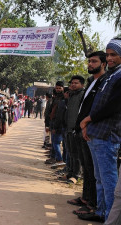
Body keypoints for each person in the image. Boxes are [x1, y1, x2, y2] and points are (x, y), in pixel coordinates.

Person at [79, 39, 121, 222]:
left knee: (108, 180)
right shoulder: (111, 75)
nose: (109, 58)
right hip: (97, 133)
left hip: (107, 135)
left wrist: (88, 120)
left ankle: (110, 218)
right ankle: (102, 212)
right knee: (100, 179)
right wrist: (89, 126)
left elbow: (113, 106)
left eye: (114, 55)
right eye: (108, 54)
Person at [70, 51, 107, 217]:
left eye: (94, 61)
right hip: (82, 130)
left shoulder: (104, 82)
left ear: (104, 63)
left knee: (93, 171)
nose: (90, 64)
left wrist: (86, 126)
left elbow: (97, 109)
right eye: (89, 61)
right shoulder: (93, 81)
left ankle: (92, 204)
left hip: (91, 131)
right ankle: (86, 198)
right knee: (87, 168)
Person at [63, 75, 84, 184]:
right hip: (68, 128)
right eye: (72, 83)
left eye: (76, 83)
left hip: (77, 129)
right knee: (70, 152)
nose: (73, 85)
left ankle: (76, 175)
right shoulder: (71, 96)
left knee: (76, 154)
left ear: (82, 84)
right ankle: (70, 173)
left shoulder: (82, 95)